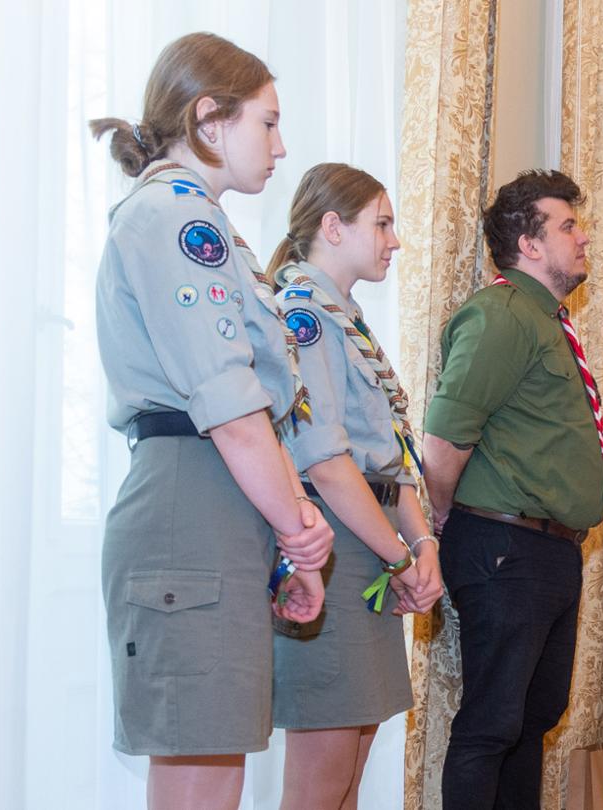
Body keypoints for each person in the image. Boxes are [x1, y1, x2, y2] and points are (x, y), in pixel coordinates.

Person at [89, 32, 332, 810]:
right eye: (267, 122)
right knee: (199, 771)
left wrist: (285, 535)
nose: (280, 144)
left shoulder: (202, 224)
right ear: (209, 119)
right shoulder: (174, 220)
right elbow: (229, 406)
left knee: (215, 758)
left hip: (216, 501)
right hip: (191, 495)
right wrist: (298, 525)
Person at [421, 169, 603, 809]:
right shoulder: (500, 314)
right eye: (567, 225)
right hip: (505, 546)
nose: (584, 237)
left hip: (551, 552)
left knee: (533, 720)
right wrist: (442, 516)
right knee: (492, 724)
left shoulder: (545, 320)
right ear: (529, 245)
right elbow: (445, 438)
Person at [266, 164, 447, 810]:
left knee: (351, 767)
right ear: (333, 227)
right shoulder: (303, 317)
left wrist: (422, 544)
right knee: (319, 782)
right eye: (383, 223)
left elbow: (388, 461)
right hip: (335, 546)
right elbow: (326, 464)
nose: (394, 241)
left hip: (369, 543)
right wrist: (399, 557)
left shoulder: (348, 322)